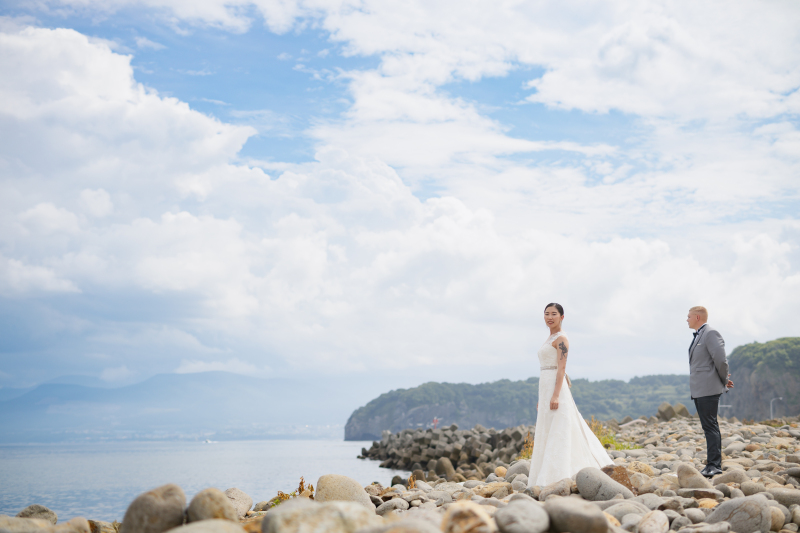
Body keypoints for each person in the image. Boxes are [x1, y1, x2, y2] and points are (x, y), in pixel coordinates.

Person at [527, 303, 613, 488]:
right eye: (547, 314)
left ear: (562, 317)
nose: (550, 317)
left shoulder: (561, 339)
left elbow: (561, 369)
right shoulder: (549, 338)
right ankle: (545, 473)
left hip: (555, 386)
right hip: (545, 385)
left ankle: (561, 474)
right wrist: (542, 399)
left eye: (554, 314)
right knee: (548, 428)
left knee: (560, 427)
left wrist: (555, 395)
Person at [687, 306, 733, 478]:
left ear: (697, 317)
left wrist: (724, 380)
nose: (687, 319)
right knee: (708, 427)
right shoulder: (700, 334)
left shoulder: (710, 333)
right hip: (700, 388)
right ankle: (711, 464)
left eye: (689, 316)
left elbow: (721, 360)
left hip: (708, 388)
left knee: (710, 426)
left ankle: (714, 465)